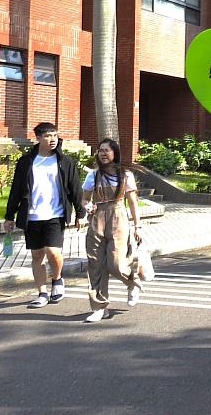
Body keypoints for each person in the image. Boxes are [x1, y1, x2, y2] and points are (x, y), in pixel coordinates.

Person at [4, 122, 85, 308]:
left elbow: (75, 189)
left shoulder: (65, 161)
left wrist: (80, 214)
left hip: (55, 214)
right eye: (48, 136)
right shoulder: (26, 162)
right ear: (38, 138)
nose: (53, 139)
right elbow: (16, 189)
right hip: (32, 215)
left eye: (55, 135)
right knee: (37, 255)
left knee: (52, 251)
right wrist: (10, 216)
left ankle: (57, 279)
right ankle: (41, 292)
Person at [81, 138, 144, 323]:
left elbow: (133, 203)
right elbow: (84, 199)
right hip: (96, 219)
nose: (103, 153)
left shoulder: (126, 175)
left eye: (106, 150)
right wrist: (88, 206)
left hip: (118, 217)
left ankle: (133, 282)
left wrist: (137, 226)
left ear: (114, 153)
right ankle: (100, 307)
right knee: (95, 264)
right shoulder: (92, 175)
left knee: (116, 263)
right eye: (100, 150)